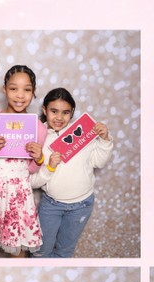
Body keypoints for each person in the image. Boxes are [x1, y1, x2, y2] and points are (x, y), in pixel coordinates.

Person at [31, 88, 114, 257]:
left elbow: (99, 161)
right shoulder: (38, 137)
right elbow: (32, 182)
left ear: (72, 113)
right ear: (44, 110)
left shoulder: (81, 131)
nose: (59, 118)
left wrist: (105, 140)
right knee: (40, 252)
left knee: (64, 251)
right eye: (54, 111)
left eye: (65, 112)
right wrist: (50, 167)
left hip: (81, 205)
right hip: (51, 205)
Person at [0, 65, 47, 257]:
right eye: (14, 88)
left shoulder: (38, 128)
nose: (20, 95)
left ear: (33, 93)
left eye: (27, 89)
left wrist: (39, 157)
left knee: (19, 244)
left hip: (19, 192)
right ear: (4, 89)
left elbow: (32, 168)